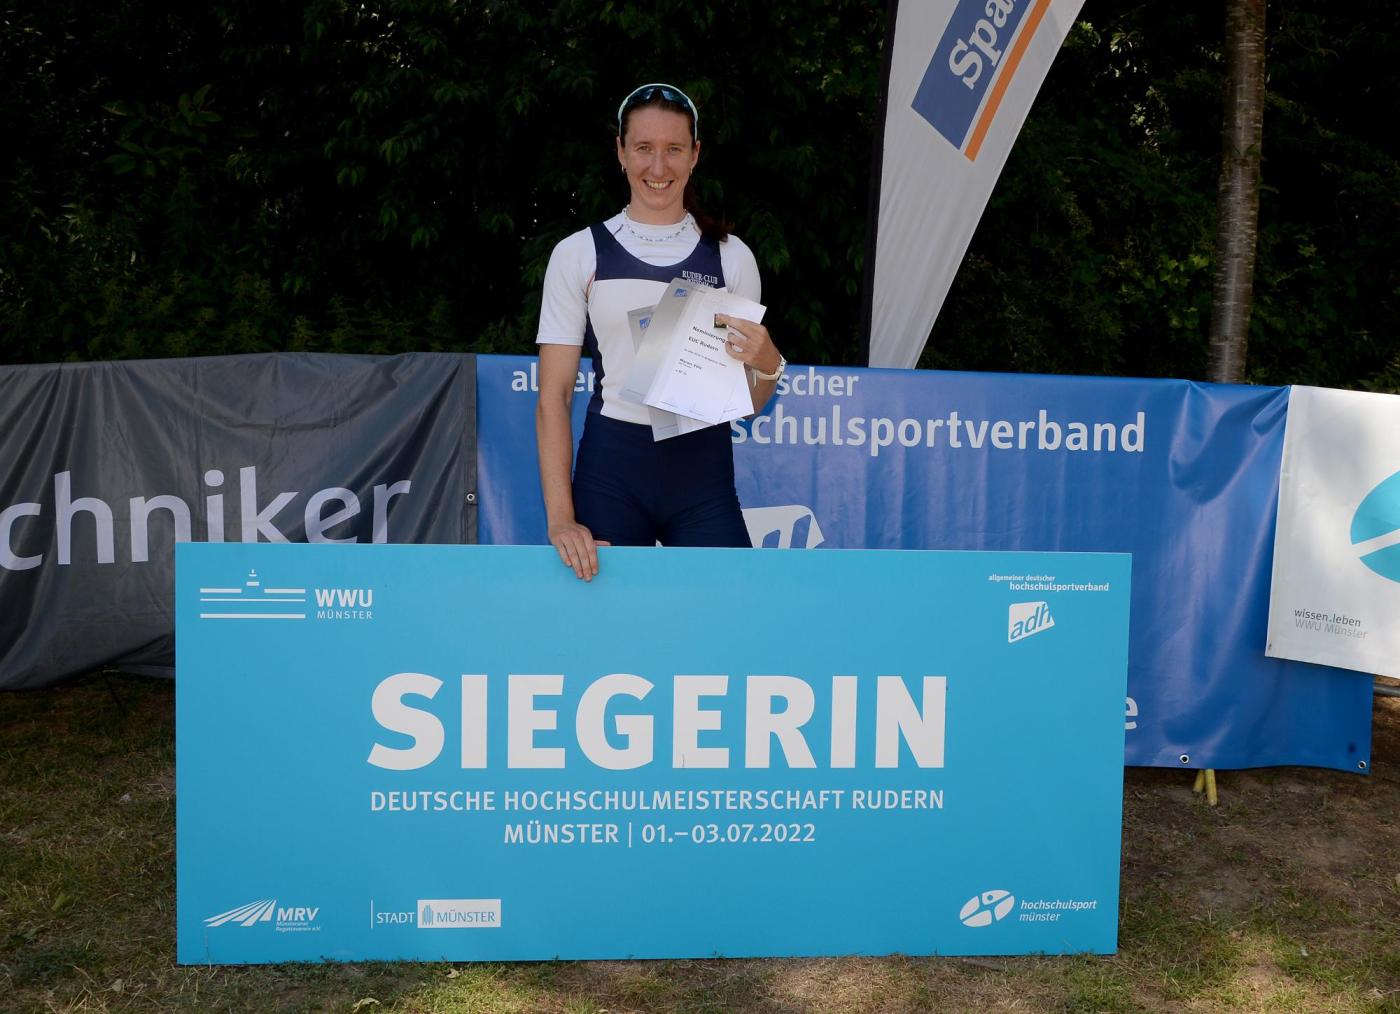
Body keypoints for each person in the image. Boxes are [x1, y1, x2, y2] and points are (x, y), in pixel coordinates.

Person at [535, 82, 786, 581]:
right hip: (611, 472)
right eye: (643, 148)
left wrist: (769, 365)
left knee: (731, 612)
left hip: (702, 475)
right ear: (621, 152)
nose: (657, 166)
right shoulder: (578, 254)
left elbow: (746, 404)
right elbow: (553, 396)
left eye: (673, 149)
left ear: (695, 155)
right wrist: (561, 519)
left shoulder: (731, 257)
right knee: (607, 623)